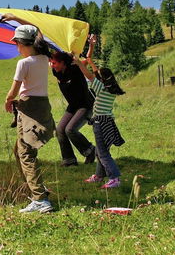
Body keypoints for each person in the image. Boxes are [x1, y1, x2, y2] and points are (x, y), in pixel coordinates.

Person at [2, 13, 55, 214]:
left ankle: (41, 200)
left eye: (17, 43)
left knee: (26, 154)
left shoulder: (23, 63)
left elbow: (14, 90)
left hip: (28, 109)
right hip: (42, 106)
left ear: (22, 43)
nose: (16, 48)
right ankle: (38, 191)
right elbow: (38, 29)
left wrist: (8, 100)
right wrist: (16, 18)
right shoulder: (43, 58)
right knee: (20, 151)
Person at [73, 38, 125, 189]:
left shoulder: (100, 88)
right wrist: (90, 55)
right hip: (108, 121)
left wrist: (78, 63)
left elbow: (90, 75)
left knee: (102, 153)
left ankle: (114, 178)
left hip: (100, 123)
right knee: (102, 151)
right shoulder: (110, 89)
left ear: (101, 80)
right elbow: (96, 73)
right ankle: (99, 175)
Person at [50, 46, 96, 167]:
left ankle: (90, 151)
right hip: (73, 106)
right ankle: (69, 160)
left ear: (63, 63)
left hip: (85, 105)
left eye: (54, 63)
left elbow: (86, 60)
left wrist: (90, 47)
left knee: (70, 130)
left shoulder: (75, 69)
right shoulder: (55, 71)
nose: (52, 65)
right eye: (51, 63)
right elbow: (48, 54)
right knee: (60, 130)